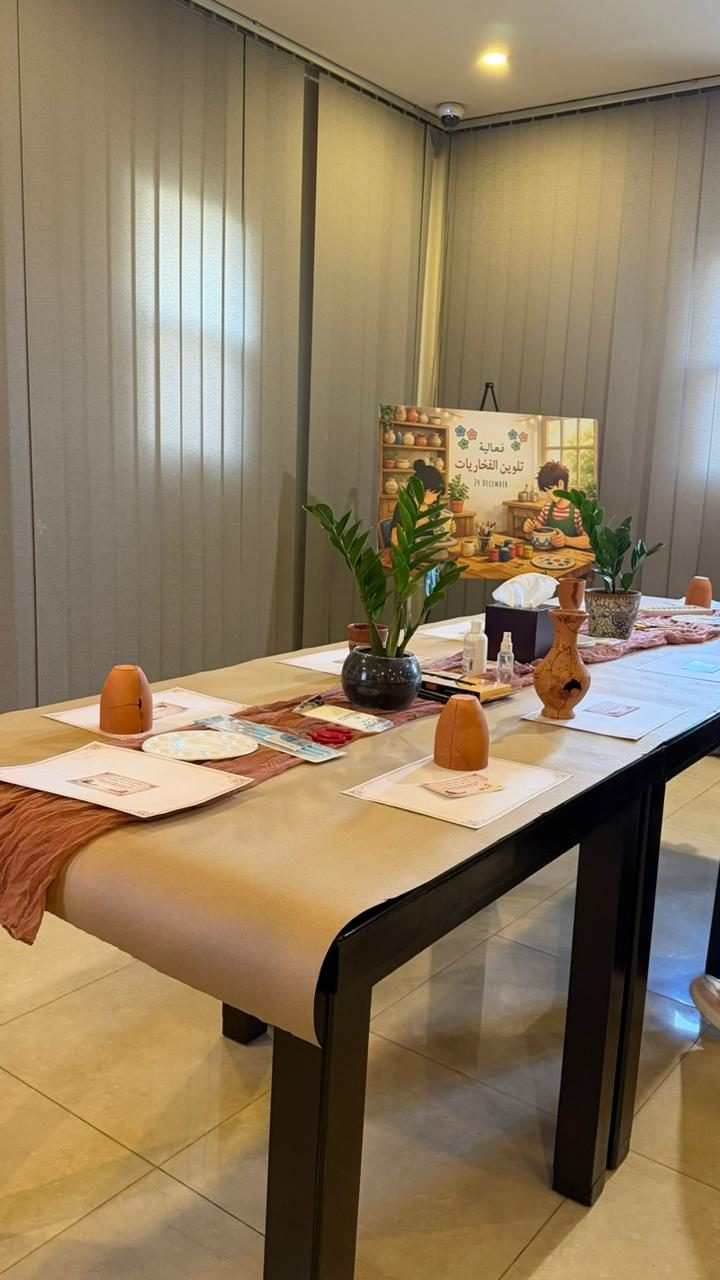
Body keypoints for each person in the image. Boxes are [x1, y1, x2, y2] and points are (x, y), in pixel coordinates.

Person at [523, 461, 590, 549]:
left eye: (550, 489)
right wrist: (528, 530)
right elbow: (533, 536)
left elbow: (589, 541)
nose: (548, 495)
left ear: (561, 484)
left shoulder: (577, 511)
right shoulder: (546, 509)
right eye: (546, 491)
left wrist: (566, 540)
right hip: (550, 555)